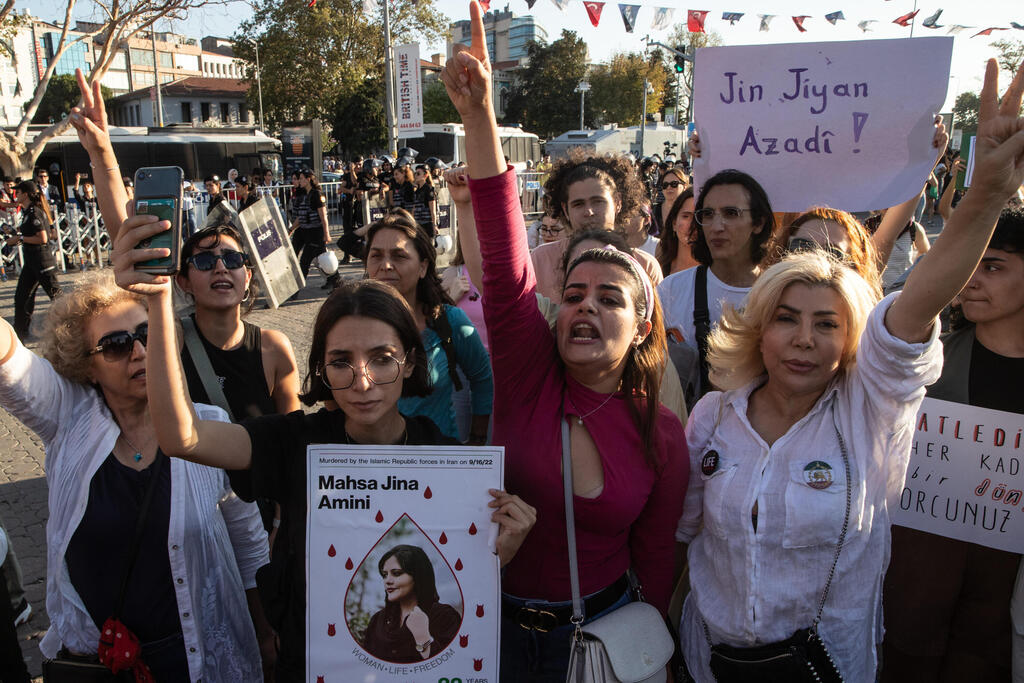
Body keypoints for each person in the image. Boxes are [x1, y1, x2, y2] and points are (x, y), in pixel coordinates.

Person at [674, 58, 1022, 682]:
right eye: (787, 318)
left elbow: (919, 303)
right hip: (712, 666)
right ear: (758, 326)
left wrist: (986, 194)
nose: (804, 340)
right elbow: (685, 541)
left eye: (828, 323)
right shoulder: (712, 418)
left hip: (828, 667)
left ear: (853, 337)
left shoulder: (872, 411)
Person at [114, 227, 534, 679]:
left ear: (410, 362)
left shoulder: (446, 462)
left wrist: (499, 551)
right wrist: (158, 304)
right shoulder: (296, 442)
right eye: (340, 362)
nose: (363, 382)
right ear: (320, 368)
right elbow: (184, 438)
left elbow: (465, 585)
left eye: (382, 358)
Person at [440, 8, 689, 678]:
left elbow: (659, 555)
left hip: (604, 642)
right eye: (574, 294)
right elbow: (501, 253)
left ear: (643, 326)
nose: (585, 307)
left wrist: (650, 647)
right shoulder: (526, 374)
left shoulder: (662, 432)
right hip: (488, 631)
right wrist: (479, 116)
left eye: (609, 299)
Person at [0, 272, 268, 680]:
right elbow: (11, 364)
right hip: (103, 662)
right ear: (85, 366)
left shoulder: (211, 426)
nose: (139, 351)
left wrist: (265, 637)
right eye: (116, 346)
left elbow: (250, 549)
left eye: (146, 333)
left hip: (200, 660)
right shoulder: (68, 420)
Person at [882, 209, 1024, 681]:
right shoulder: (929, 360)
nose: (973, 279)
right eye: (972, 263)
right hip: (918, 579)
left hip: (1003, 597)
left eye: (995, 266)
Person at [364, 212, 493, 443]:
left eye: (399, 256)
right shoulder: (349, 324)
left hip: (437, 464)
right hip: (370, 470)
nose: (385, 265)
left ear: (423, 267)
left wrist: (477, 439)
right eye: (376, 256)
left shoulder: (449, 321)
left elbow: (483, 378)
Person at [531, 150, 663, 301]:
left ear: (617, 203)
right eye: (578, 204)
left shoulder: (645, 265)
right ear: (565, 210)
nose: (589, 212)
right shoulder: (541, 260)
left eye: (598, 202)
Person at [362, 545, 462, 662]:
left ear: (418, 575)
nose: (387, 581)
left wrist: (423, 637)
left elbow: (455, 664)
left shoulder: (444, 617)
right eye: (385, 575)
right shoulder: (377, 621)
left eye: (396, 573)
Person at [7, 180, 61, 342]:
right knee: (22, 296)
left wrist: (20, 238)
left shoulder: (34, 212)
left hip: (42, 260)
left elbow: (43, 238)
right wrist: (14, 232)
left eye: (18, 192)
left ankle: (76, 328)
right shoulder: (27, 211)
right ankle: (20, 333)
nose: (16, 194)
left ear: (25, 194)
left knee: (57, 298)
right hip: (32, 262)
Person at [290, 169, 339, 287]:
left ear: (308, 180)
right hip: (306, 231)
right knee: (324, 259)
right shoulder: (304, 194)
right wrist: (291, 229)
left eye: (301, 178)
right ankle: (336, 281)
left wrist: (326, 234)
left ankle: (297, 288)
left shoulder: (317, 194)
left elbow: (323, 216)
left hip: (316, 233)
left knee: (305, 261)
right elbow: (301, 217)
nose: (299, 181)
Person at [655, 187, 698, 276]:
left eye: (699, 217)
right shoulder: (657, 269)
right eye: (686, 216)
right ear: (674, 223)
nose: (692, 225)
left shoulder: (717, 273)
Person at [652, 166, 687, 236]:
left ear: (684, 186)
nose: (669, 187)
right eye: (665, 185)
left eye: (674, 184)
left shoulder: (690, 210)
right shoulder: (653, 210)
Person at [411, 164, 439, 237]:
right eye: (415, 173)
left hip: (427, 224)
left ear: (425, 175)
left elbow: (433, 210)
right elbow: (414, 208)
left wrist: (434, 225)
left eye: (418, 174)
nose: (416, 176)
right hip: (418, 224)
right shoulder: (417, 190)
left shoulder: (429, 189)